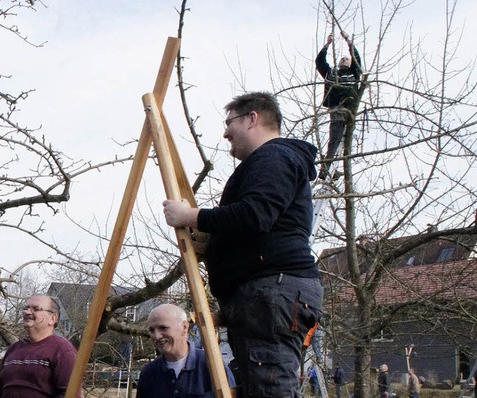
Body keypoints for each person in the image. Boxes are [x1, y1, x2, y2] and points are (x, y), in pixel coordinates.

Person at [162, 91, 323, 397]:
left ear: (253, 119)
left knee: (270, 389)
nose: (225, 132)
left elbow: (255, 215)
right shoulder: (269, 161)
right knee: (260, 386)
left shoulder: (274, 156)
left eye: (229, 122)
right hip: (266, 293)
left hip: (272, 290)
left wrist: (191, 216)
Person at [136, 303, 236, 397]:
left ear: (184, 327)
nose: (157, 336)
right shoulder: (149, 374)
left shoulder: (212, 366)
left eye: (163, 328)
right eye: (152, 330)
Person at [0, 294, 80, 398]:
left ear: (53, 318)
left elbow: (70, 394)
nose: (27, 312)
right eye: (26, 308)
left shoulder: (63, 350)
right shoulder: (13, 350)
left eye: (36, 309)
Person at [315, 31, 362, 180]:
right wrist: (327, 44)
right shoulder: (331, 74)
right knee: (335, 139)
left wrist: (349, 41)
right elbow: (320, 61)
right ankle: (327, 169)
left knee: (345, 142)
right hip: (337, 110)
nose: (343, 62)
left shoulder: (354, 73)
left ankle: (334, 167)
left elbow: (357, 59)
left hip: (349, 112)